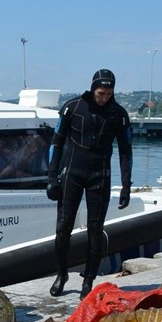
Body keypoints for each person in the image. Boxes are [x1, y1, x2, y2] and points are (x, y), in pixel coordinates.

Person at [47, 69, 133, 299]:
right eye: (100, 93)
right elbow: (56, 142)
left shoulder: (119, 114)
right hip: (72, 174)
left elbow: (126, 152)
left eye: (108, 93)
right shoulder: (73, 107)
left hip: (100, 176)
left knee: (95, 230)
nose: (104, 97)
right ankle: (61, 274)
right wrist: (52, 177)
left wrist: (127, 186)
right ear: (93, 88)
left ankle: (88, 279)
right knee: (63, 227)